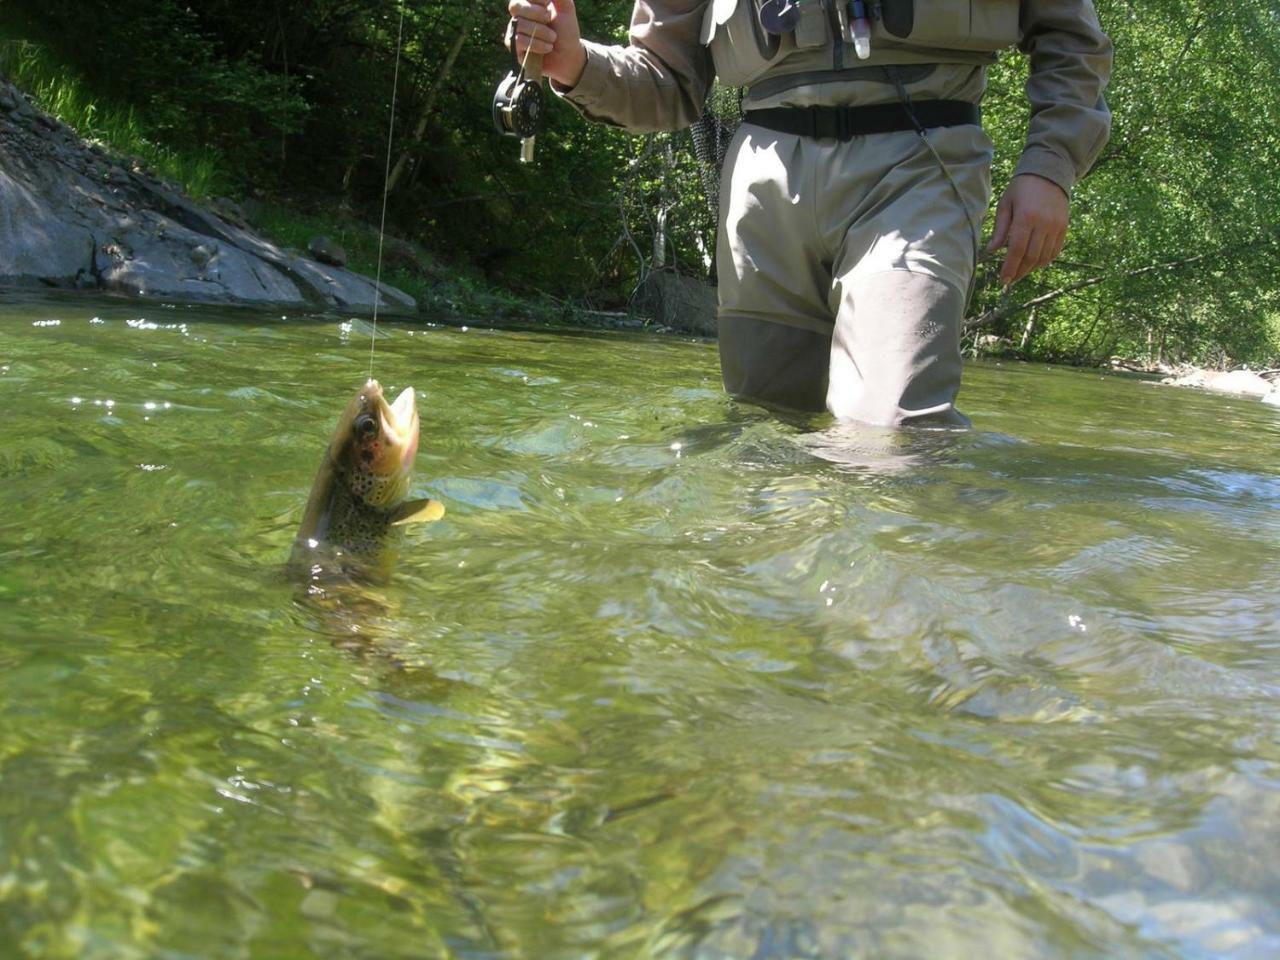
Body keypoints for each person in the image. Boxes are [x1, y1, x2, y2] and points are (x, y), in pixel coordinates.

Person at [506, 0, 1113, 426]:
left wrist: (1049, 164)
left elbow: (1071, 37)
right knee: (760, 437)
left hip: (920, 164)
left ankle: (902, 605)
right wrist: (575, 62)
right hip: (762, 186)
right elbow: (668, 83)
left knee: (891, 433)